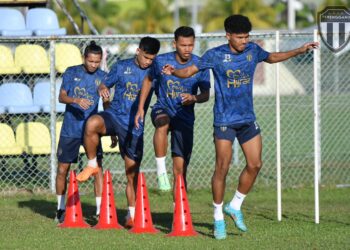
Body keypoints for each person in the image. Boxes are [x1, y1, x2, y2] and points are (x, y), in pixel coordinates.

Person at [162, 15, 319, 240]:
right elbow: (189, 71)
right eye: (240, 37)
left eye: (247, 37)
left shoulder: (252, 51)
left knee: (255, 164)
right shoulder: (215, 55)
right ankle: (218, 218)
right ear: (228, 36)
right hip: (224, 121)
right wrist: (174, 71)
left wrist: (299, 50)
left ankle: (235, 205)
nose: (244, 41)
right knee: (222, 168)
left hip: (247, 119)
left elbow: (272, 57)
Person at [76, 37, 161, 228]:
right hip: (114, 116)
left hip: (134, 127)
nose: (148, 61)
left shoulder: (155, 72)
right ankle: (91, 164)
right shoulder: (121, 66)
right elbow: (103, 84)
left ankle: (131, 215)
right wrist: (103, 88)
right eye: (146, 57)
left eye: (152, 59)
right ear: (138, 51)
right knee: (92, 123)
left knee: (132, 174)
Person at [135, 26, 210, 195]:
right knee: (162, 123)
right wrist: (140, 108)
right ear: (174, 43)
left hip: (185, 117)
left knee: (181, 171)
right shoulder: (161, 61)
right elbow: (148, 80)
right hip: (162, 108)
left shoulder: (200, 64)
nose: (187, 49)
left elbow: (206, 94)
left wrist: (194, 98)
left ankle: (179, 214)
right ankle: (161, 171)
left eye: (190, 45)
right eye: (183, 45)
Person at [55, 41, 108, 223]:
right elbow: (61, 97)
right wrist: (76, 100)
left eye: (97, 62)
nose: (94, 65)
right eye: (91, 61)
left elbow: (107, 104)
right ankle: (60, 209)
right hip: (71, 128)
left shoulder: (103, 77)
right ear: (84, 58)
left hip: (91, 132)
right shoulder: (72, 72)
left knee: (97, 168)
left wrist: (111, 127)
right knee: (63, 169)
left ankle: (100, 211)